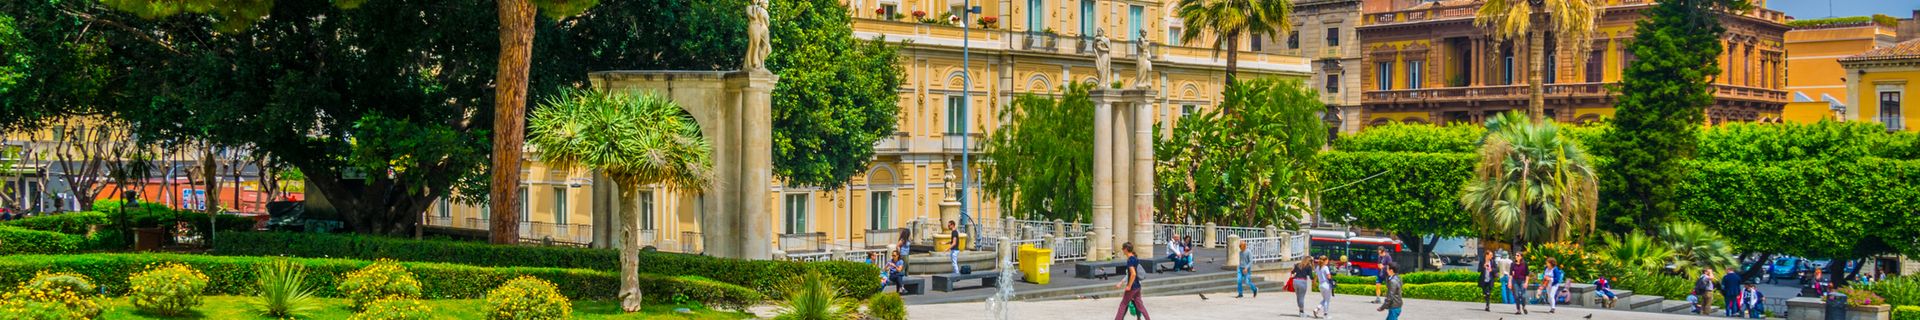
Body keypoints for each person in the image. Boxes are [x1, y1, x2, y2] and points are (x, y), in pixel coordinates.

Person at [1112, 242, 1151, 320]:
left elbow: (1133, 274)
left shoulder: (1130, 260)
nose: (1122, 250)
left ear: (1126, 249)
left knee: (1123, 304)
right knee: (1140, 305)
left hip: (1132, 287)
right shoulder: (1135, 258)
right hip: (1137, 286)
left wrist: (1129, 286)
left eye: (1123, 249)